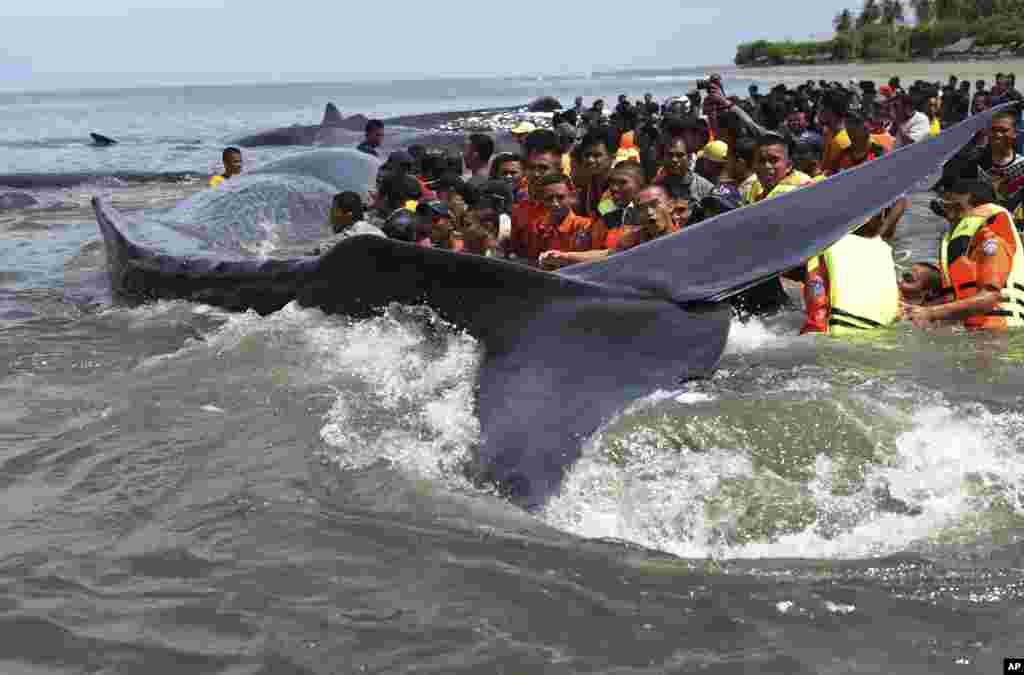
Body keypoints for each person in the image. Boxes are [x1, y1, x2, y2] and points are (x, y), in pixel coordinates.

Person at [901, 180, 1024, 330]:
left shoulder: (994, 242)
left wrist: (930, 313)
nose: (950, 215)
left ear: (981, 210)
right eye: (947, 208)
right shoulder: (967, 249)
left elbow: (989, 299)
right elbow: (960, 294)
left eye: (958, 208)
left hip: (1001, 336)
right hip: (978, 337)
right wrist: (913, 308)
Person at [800, 221, 900, 335]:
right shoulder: (882, 250)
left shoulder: (824, 245)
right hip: (879, 333)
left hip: (834, 332)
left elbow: (816, 295)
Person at [940, 110, 1024, 216]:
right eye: (993, 130)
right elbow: (956, 195)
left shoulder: (1021, 166)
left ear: (1015, 133)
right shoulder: (972, 161)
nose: (998, 134)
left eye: (1004, 130)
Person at [309, 192, 385, 255]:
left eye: (333, 211)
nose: (331, 217)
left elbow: (318, 253)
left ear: (348, 216)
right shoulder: (376, 231)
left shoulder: (347, 239)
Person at [654, 135, 715, 203]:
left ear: (689, 158)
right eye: (670, 155)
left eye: (680, 155)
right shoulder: (657, 186)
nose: (674, 159)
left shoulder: (703, 186)